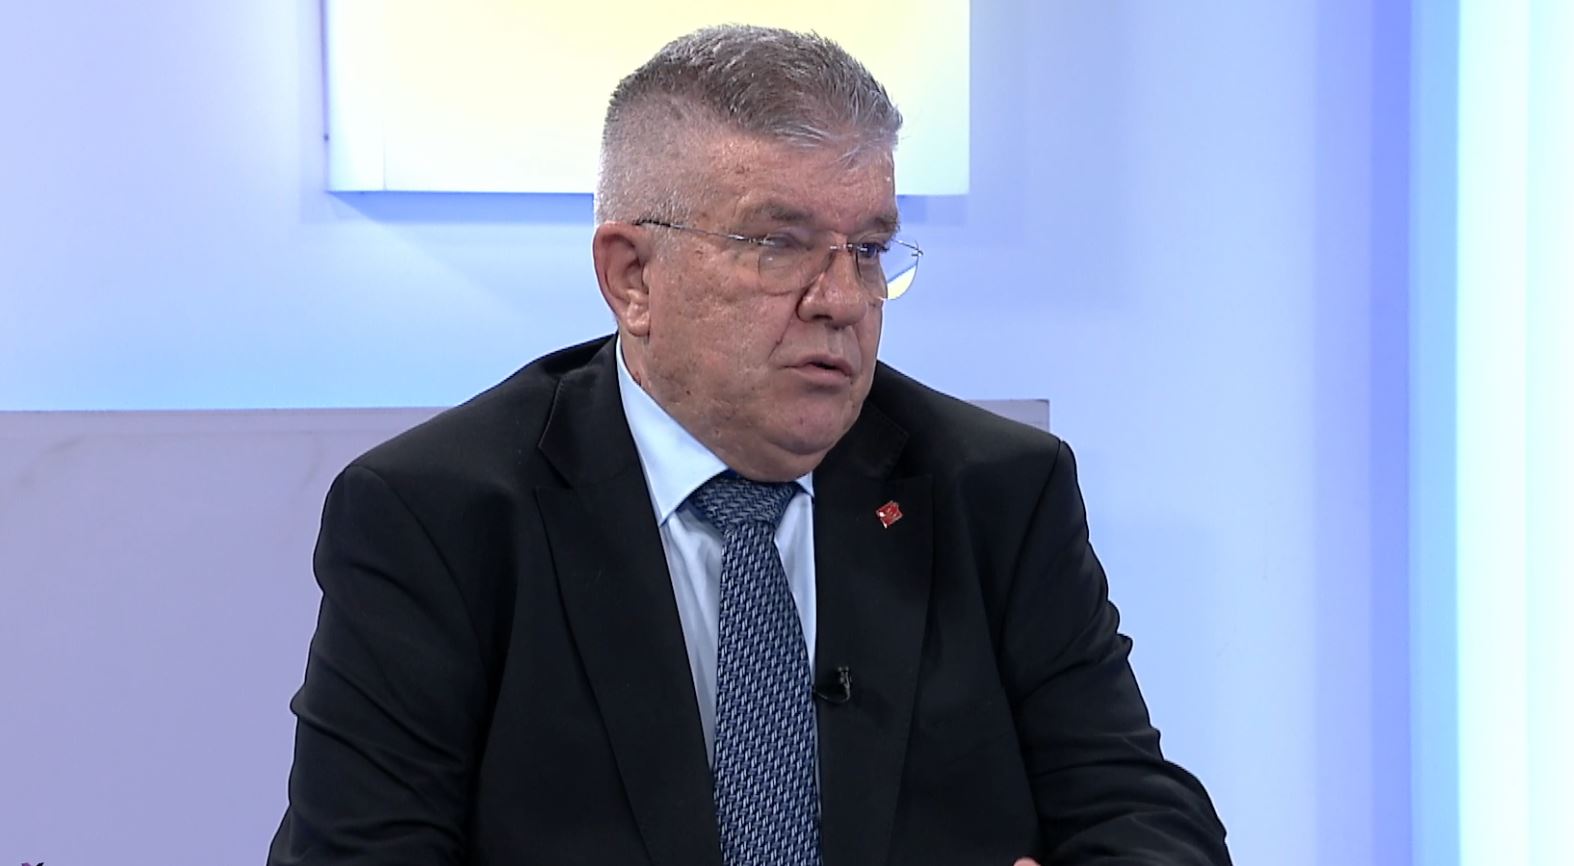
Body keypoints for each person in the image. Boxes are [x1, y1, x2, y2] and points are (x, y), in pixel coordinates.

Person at [267, 24, 1231, 866]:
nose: (842, 301)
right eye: (778, 244)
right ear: (631, 277)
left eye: (868, 249)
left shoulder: (997, 491)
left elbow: (1143, 817)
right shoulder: (438, 516)